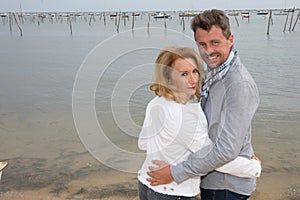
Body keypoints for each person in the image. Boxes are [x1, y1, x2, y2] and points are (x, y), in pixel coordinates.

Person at [146, 9, 261, 200]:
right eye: (202, 44)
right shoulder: (212, 73)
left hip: (226, 186)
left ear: (230, 39)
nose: (208, 51)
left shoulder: (238, 84)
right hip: (212, 179)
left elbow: (225, 150)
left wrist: (175, 172)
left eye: (215, 43)